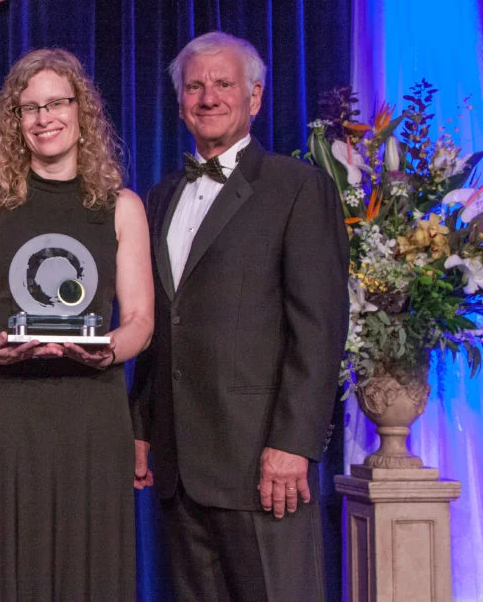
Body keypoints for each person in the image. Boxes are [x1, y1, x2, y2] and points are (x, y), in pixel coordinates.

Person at [132, 31, 349, 601]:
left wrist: (295, 444)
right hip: (180, 466)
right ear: (179, 100)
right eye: (195, 85)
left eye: (223, 84)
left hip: (262, 463)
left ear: (255, 97)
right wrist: (141, 429)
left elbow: (319, 328)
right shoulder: (159, 198)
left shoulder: (297, 187)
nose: (208, 97)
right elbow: (160, 326)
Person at [0, 48, 155, 599]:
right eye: (29, 108)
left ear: (81, 110)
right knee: (4, 567)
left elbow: (139, 321)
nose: (44, 118)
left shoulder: (122, 206)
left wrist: (108, 350)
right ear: (15, 122)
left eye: (56, 103)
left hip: (91, 414)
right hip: (7, 416)